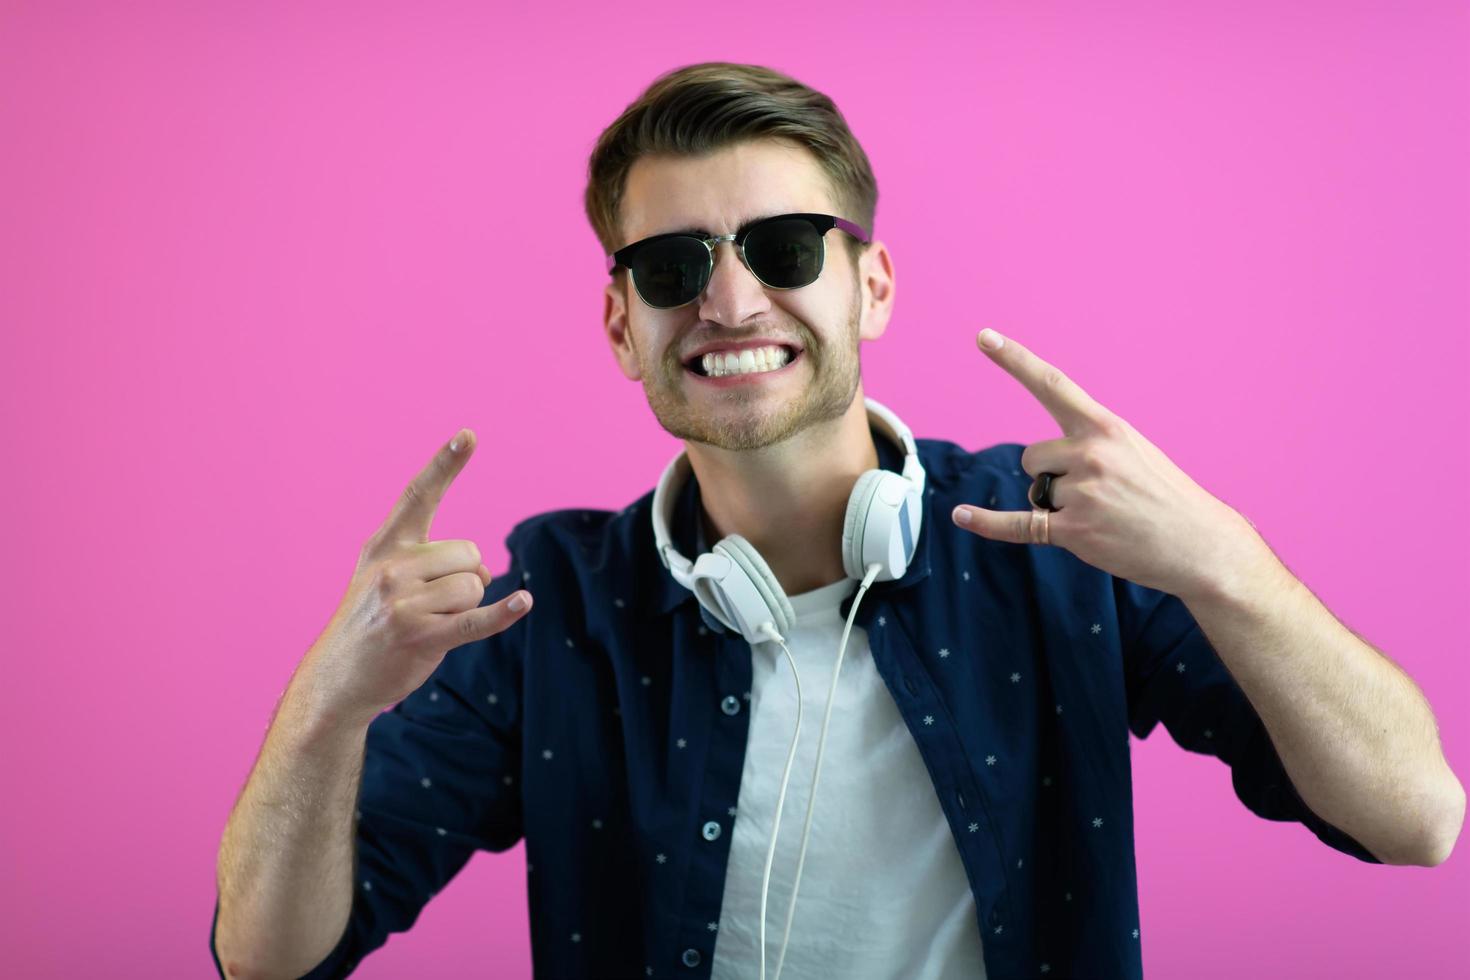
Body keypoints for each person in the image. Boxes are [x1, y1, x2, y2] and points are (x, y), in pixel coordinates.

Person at [210, 62, 1395, 980]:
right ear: (622, 324)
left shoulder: (1059, 535)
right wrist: (330, 702)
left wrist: (1229, 566)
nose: (730, 300)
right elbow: (269, 954)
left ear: (870, 285)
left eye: (783, 249)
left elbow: (1413, 815)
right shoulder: (547, 604)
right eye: (673, 267)